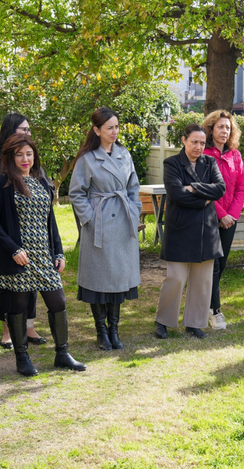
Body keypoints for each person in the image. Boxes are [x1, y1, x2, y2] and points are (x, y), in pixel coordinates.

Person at [0, 134, 86, 376]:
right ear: (10, 157)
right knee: (18, 305)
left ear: (34, 156)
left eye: (29, 154)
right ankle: (22, 358)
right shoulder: (2, 183)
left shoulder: (41, 182)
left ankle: (62, 354)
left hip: (43, 255)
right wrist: (13, 249)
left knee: (58, 301)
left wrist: (59, 251)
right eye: (19, 154)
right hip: (19, 257)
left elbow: (50, 221)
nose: (25, 159)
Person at [69, 107, 141, 351]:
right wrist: (89, 218)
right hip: (99, 225)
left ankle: (114, 329)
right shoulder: (87, 159)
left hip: (123, 222)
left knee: (117, 279)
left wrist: (134, 209)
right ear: (97, 130)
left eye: (117, 127)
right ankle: (101, 331)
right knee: (99, 279)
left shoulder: (124, 154)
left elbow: (133, 186)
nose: (114, 131)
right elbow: (76, 193)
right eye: (109, 127)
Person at [154, 124, 226, 339]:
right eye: (194, 141)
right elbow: (176, 194)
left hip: (206, 231)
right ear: (184, 140)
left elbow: (220, 189)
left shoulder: (210, 162)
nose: (198, 146)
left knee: (203, 280)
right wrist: (205, 198)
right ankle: (163, 321)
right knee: (175, 278)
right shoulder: (172, 163)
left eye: (202, 143)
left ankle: (195, 322)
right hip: (180, 229)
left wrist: (194, 188)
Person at [0, 113, 43, 349]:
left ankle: (29, 326)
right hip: (5, 231)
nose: (27, 134)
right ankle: (7, 330)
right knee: (9, 279)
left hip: (32, 229)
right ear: (9, 129)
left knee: (32, 276)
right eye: (22, 129)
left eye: (28, 130)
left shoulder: (28, 157)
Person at [202, 110, 244, 330]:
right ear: (211, 129)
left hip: (230, 219)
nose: (224, 131)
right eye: (220, 127)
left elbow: (240, 188)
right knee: (213, 265)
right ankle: (214, 311)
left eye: (228, 127)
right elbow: (204, 188)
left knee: (222, 263)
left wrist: (232, 216)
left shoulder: (235, 155)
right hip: (209, 217)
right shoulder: (204, 153)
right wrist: (221, 214)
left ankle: (206, 305)